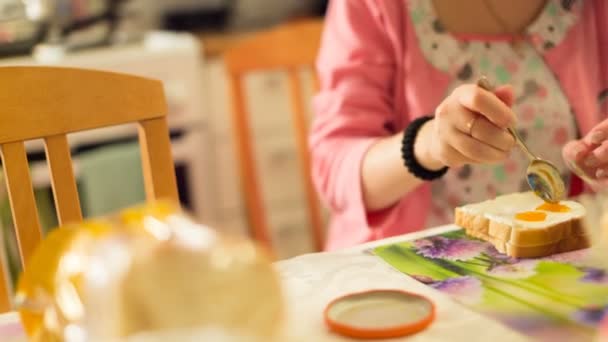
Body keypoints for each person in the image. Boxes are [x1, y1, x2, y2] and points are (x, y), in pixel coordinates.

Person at [310, 0, 608, 250]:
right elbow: (333, 168)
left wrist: (598, 160)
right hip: (408, 280)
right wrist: (427, 146)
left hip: (560, 265)